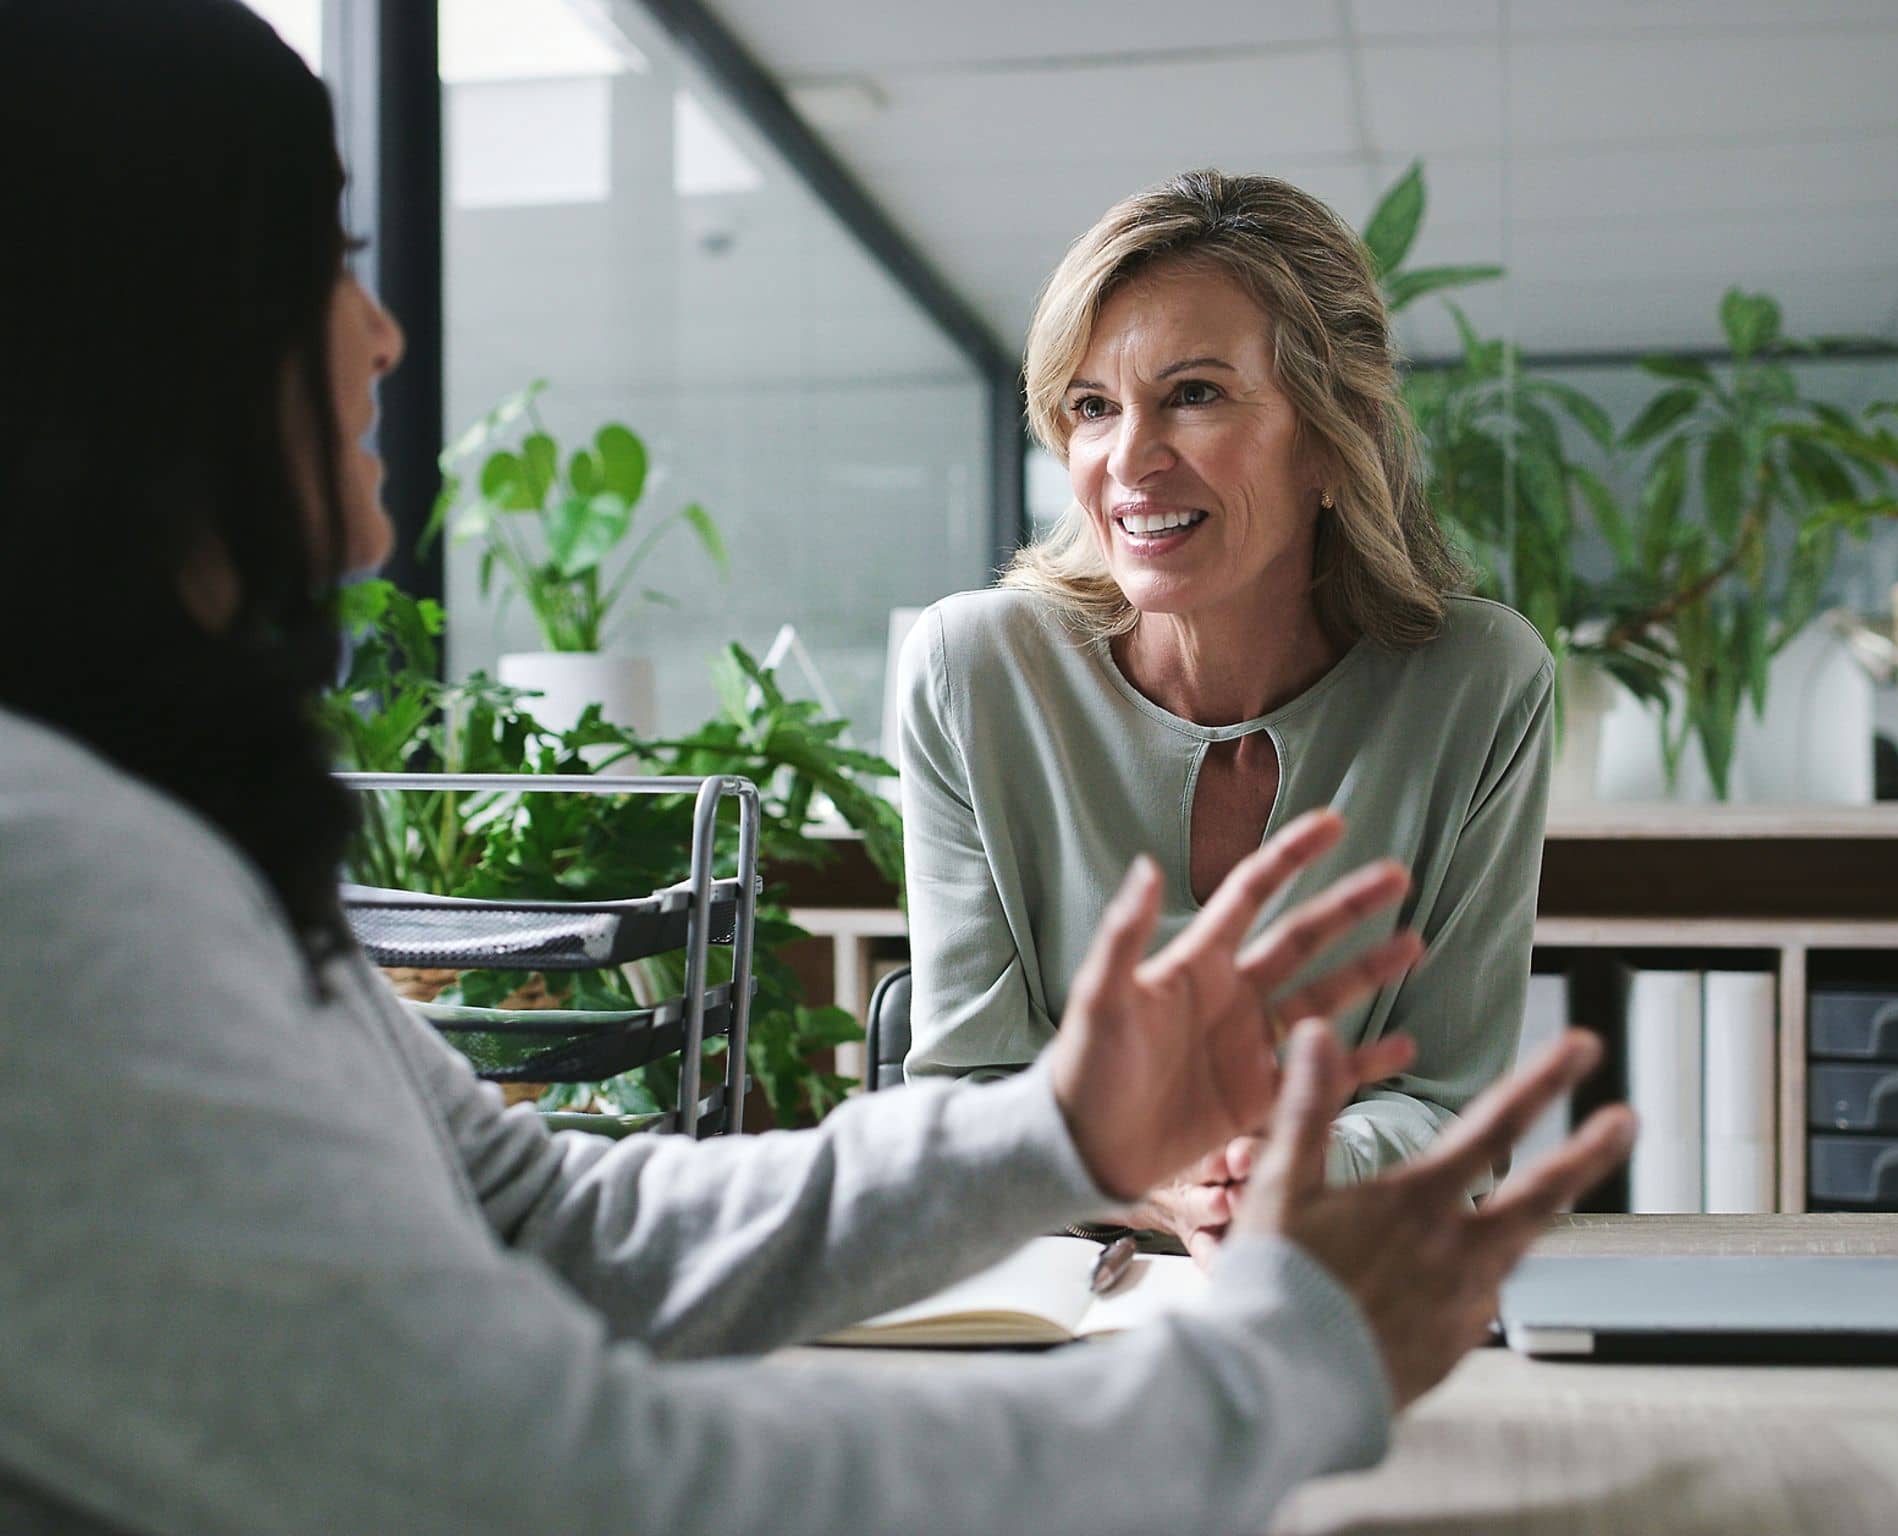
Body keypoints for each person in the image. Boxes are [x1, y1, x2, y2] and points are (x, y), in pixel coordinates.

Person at [0, 5, 1632, 1533]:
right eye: (324, 263)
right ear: (137, 336)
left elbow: (554, 1224)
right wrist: (1274, 1374)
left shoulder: (152, 835)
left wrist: (1063, 1129)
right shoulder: (50, 889)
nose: (382, 331)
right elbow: (551, 1482)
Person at [900, 170, 1557, 1256]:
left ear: (1331, 435)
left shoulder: (1479, 685)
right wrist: (1162, 1183)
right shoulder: (974, 671)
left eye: (1194, 394)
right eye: (1092, 407)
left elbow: (1449, 1106)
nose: (1129, 461)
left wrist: (1294, 1168)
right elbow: (967, 1098)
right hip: (1054, 1288)